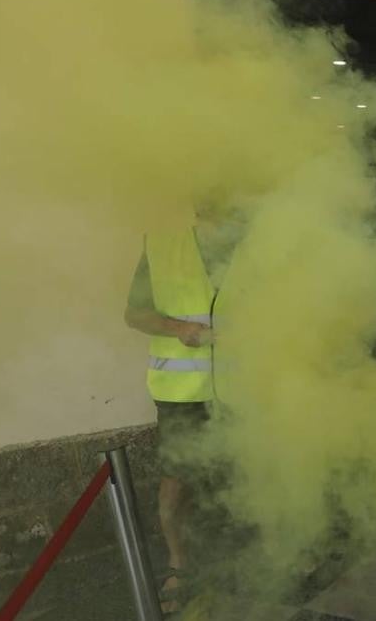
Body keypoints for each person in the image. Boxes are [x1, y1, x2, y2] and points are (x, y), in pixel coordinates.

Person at [124, 204, 239, 614]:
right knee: (176, 483)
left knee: (265, 469)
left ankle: (280, 550)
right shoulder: (161, 246)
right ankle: (179, 565)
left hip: (248, 387)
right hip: (182, 391)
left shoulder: (264, 245)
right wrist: (181, 329)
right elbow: (134, 313)